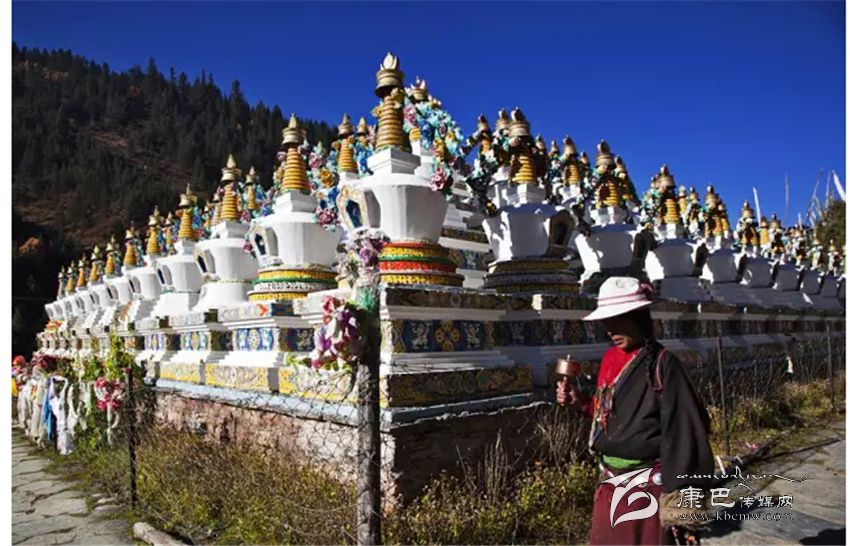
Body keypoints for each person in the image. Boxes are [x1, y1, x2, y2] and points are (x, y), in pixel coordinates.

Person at [557, 277, 714, 545]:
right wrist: (579, 402)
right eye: (607, 321)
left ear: (638, 317)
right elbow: (610, 414)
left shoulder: (663, 365)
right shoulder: (610, 359)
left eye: (618, 320)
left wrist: (681, 503)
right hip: (610, 484)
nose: (610, 329)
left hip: (647, 490)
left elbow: (687, 433)